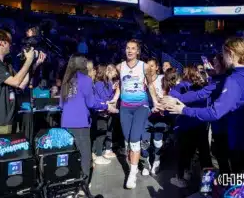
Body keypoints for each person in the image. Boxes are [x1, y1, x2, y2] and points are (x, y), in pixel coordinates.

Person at [162, 36, 244, 173]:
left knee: (243, 184)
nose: (223, 58)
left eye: (224, 54)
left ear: (231, 54)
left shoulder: (234, 80)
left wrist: (183, 109)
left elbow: (215, 112)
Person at [60, 54, 117, 194]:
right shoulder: (85, 80)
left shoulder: (66, 80)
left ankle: (70, 183)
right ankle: (82, 186)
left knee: (72, 154)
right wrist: (106, 106)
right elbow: (91, 103)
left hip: (66, 123)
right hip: (80, 123)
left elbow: (61, 104)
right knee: (85, 155)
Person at [110, 39, 161, 189]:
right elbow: (120, 86)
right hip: (125, 108)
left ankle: (132, 174)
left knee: (134, 139)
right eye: (127, 48)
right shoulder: (120, 67)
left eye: (133, 48)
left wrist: (156, 102)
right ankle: (141, 162)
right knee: (128, 140)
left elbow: (150, 85)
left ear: (138, 51)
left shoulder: (144, 66)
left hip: (141, 106)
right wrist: (114, 99)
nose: (130, 51)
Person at [0, 29, 45, 135]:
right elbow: (16, 82)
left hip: (11, 117)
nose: (11, 45)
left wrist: (35, 64)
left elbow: (21, 84)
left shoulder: (6, 64)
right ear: (2, 42)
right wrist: (29, 60)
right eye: (9, 42)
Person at [141, 58, 166, 176]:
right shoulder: (142, 80)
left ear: (157, 67)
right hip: (146, 115)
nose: (149, 68)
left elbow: (166, 96)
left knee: (157, 141)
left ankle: (157, 161)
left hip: (159, 115)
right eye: (147, 66)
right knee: (144, 141)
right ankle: (146, 164)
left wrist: (160, 101)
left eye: (152, 66)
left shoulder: (162, 79)